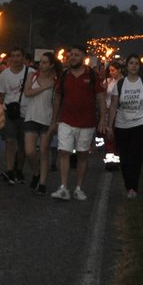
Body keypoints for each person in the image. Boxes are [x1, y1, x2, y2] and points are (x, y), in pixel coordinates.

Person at [104, 54, 143, 198]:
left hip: (142, 123)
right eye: (131, 63)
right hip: (123, 124)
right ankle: (129, 183)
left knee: (137, 155)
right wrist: (110, 126)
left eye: (136, 63)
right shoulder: (120, 84)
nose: (134, 66)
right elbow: (114, 105)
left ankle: (133, 187)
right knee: (125, 158)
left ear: (139, 66)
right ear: (126, 66)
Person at [52, 56, 101, 201]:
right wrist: (55, 119)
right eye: (71, 55)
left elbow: (101, 97)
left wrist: (103, 120)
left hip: (87, 122)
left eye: (76, 55)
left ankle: (78, 188)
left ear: (82, 57)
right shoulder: (65, 75)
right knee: (64, 152)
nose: (73, 57)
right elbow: (57, 96)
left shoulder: (92, 75)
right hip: (66, 120)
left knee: (82, 155)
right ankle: (63, 187)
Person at [22, 50, 57, 194]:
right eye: (40, 62)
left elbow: (56, 102)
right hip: (31, 117)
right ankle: (36, 172)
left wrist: (55, 121)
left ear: (51, 65)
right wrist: (43, 87)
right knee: (30, 151)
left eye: (44, 63)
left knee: (43, 151)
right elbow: (27, 92)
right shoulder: (32, 75)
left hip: (46, 119)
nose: (41, 65)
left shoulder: (55, 81)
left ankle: (42, 183)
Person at [0, 47, 30, 184]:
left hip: (26, 113)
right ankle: (9, 170)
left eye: (18, 56)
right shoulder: (5, 75)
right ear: (9, 59)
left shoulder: (31, 73)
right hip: (9, 112)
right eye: (13, 56)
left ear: (23, 57)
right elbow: (0, 94)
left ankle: (19, 170)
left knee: (23, 144)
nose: (16, 59)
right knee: (10, 141)